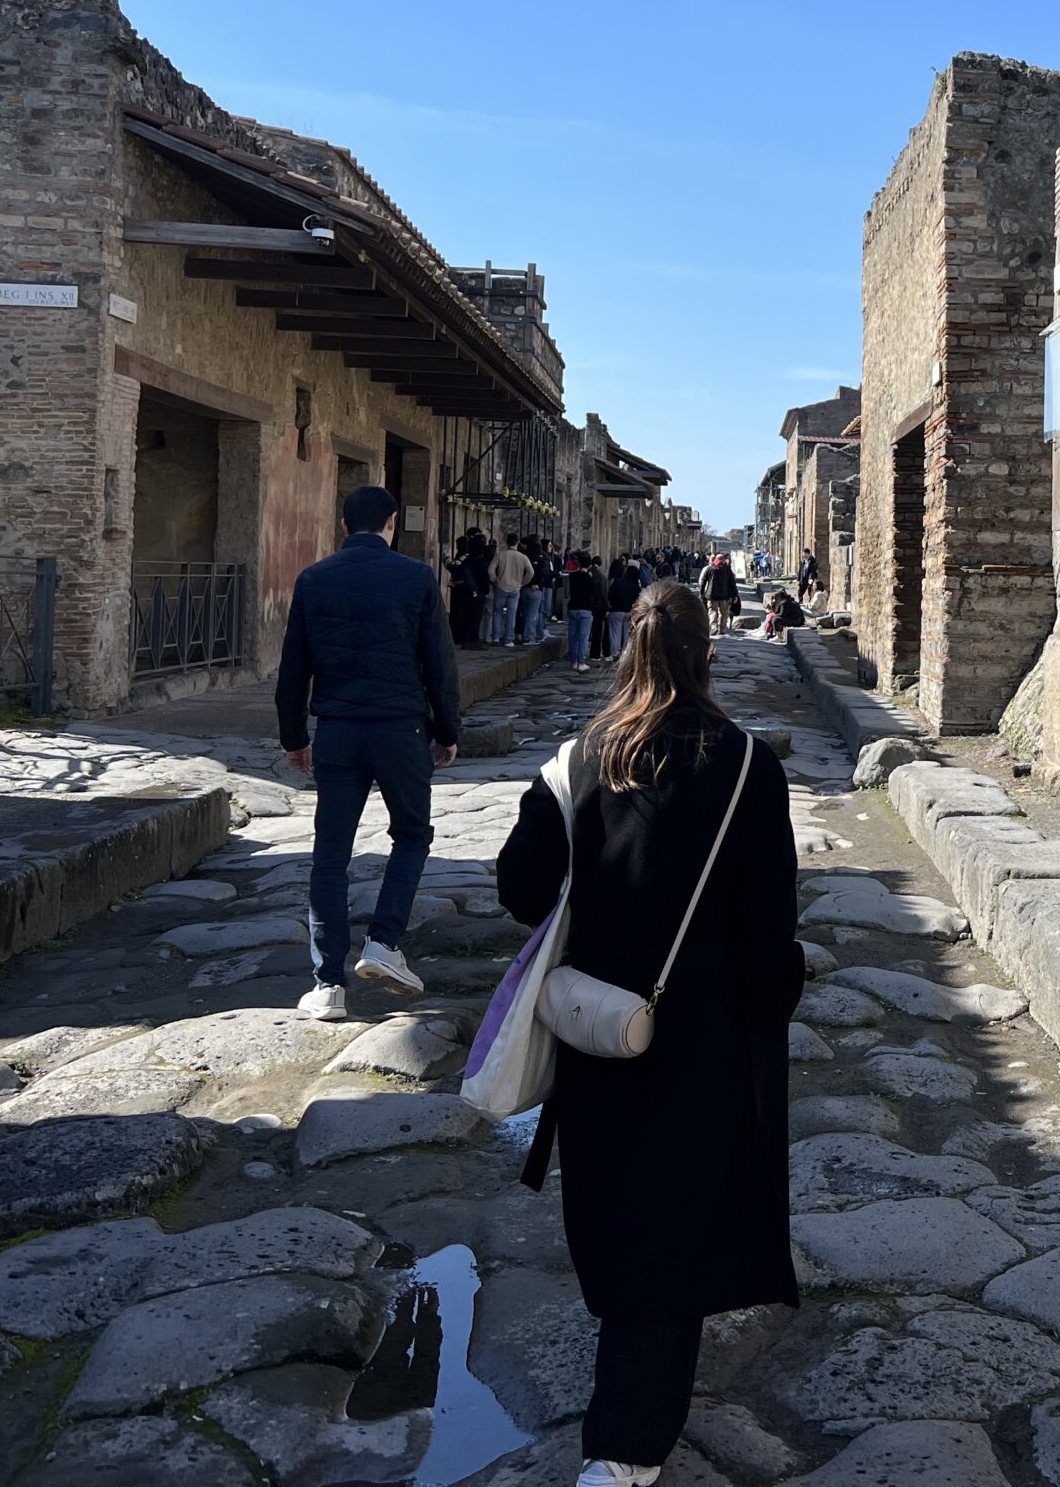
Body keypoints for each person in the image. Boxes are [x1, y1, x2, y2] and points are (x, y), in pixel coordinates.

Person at [496, 582, 803, 1487]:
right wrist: (766, 1008)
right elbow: (768, 930)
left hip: (599, 1035)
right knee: (675, 1236)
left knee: (620, 1215)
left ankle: (627, 1427)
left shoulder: (581, 760)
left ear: (629, 650)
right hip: (701, 1044)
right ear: (708, 651)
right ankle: (625, 1451)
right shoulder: (747, 765)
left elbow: (519, 889)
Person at [277, 485, 462, 1022]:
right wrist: (447, 730)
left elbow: (294, 669)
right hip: (400, 729)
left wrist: (294, 737)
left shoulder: (313, 580)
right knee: (411, 835)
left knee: (330, 852)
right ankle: (383, 943)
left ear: (342, 524)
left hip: (336, 729)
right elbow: (439, 664)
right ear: (392, 523)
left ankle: (328, 983)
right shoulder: (416, 578)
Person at [490, 533, 531, 645]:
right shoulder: (523, 557)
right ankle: (509, 638)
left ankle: (496, 637)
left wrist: (495, 580)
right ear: (517, 543)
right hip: (515, 588)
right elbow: (530, 572)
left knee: (497, 612)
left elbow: (491, 570)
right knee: (511, 614)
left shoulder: (500, 555)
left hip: (501, 586)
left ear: (507, 541)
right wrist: (523, 582)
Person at [565, 554, 603, 673]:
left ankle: (574, 661)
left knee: (573, 636)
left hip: (573, 607)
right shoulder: (590, 579)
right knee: (583, 637)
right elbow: (596, 595)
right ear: (590, 565)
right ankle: (581, 662)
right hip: (586, 609)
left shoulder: (573, 576)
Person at [606, 558, 640, 660]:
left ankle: (615, 653)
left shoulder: (618, 582)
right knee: (626, 634)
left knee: (615, 633)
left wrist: (612, 604)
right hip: (629, 611)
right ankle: (625, 652)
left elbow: (610, 595)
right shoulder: (636, 587)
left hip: (616, 610)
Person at [699, 553, 741, 636]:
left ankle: (713, 626)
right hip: (724, 595)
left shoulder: (710, 569)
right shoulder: (727, 570)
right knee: (724, 613)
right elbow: (732, 583)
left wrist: (702, 593)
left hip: (711, 595)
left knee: (712, 611)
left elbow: (703, 581)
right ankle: (721, 629)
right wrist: (735, 595)